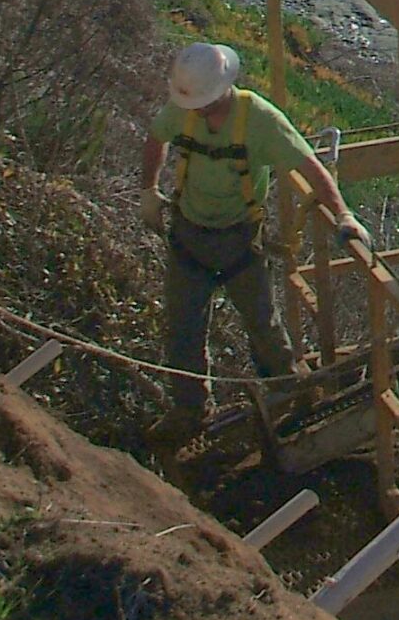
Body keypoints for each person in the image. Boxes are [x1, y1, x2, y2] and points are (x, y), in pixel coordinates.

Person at [137, 42, 365, 445]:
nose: (198, 111)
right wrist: (148, 189)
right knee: (182, 332)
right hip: (189, 235)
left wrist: (343, 214)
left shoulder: (258, 120)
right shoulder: (185, 109)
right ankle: (190, 412)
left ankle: (293, 401)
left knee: (265, 330)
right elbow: (157, 138)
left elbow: (309, 166)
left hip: (239, 240)